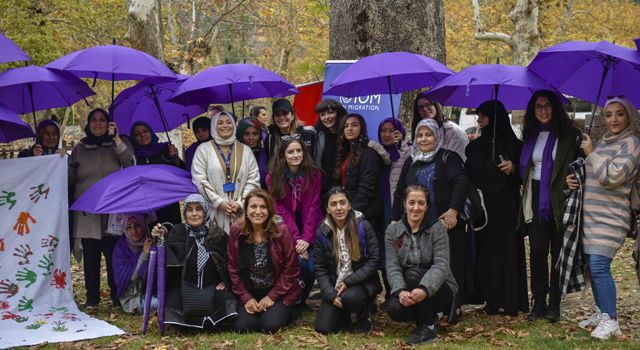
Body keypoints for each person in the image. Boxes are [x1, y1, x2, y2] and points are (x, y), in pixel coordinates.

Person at [567, 97, 640, 339]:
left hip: (611, 217)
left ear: (629, 116)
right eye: (609, 115)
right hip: (590, 215)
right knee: (592, 265)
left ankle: (612, 320)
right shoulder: (602, 143)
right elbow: (594, 175)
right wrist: (574, 180)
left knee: (599, 265)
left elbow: (613, 177)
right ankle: (602, 314)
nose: (614, 119)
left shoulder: (632, 144)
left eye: (620, 114)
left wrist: (590, 153)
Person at [391, 119, 472, 316]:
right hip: (418, 226)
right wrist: (395, 220)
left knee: (451, 266)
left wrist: (453, 211)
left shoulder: (448, 157)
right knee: (424, 265)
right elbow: (400, 191)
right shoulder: (411, 160)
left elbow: (461, 183)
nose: (424, 139)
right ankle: (430, 306)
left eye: (428, 134)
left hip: (446, 224)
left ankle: (453, 308)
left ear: (437, 136)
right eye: (420, 135)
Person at [518, 90, 581, 322]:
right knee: (536, 252)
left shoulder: (570, 135)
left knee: (557, 252)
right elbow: (524, 168)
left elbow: (580, 165)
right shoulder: (529, 136)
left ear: (554, 108)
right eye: (538, 107)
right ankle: (538, 302)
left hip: (559, 199)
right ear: (533, 111)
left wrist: (574, 177)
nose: (543, 110)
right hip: (534, 199)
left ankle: (555, 303)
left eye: (547, 105)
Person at [465, 100, 528, 316]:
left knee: (507, 253)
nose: (479, 119)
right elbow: (468, 174)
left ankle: (510, 301)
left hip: (506, 207)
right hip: (483, 209)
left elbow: (526, 176)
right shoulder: (474, 147)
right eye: (478, 115)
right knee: (486, 254)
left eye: (483, 116)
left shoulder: (514, 146)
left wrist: (514, 169)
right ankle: (490, 299)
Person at [69, 108, 135, 308]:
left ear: (109, 123)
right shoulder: (79, 148)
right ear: (88, 124)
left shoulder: (118, 144)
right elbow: (70, 178)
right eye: (94, 120)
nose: (98, 124)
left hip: (112, 211)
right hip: (87, 212)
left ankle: (117, 296)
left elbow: (130, 163)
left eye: (102, 120)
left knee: (113, 255)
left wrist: (116, 140)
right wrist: (59, 162)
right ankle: (92, 298)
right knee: (90, 258)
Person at [151, 194, 237, 329]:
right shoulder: (178, 232)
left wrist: (225, 280)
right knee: (171, 305)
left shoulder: (217, 234)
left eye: (199, 209)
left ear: (205, 212)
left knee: (228, 301)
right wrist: (160, 236)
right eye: (190, 210)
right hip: (182, 288)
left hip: (211, 287)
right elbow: (166, 254)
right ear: (185, 213)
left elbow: (229, 261)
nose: (194, 214)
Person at [386, 185, 458, 345]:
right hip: (409, 287)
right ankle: (427, 315)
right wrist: (400, 290)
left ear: (427, 206)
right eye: (411, 202)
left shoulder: (438, 228)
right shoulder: (392, 230)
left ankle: (428, 327)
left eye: (421, 203)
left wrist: (425, 289)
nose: (416, 208)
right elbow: (392, 266)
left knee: (413, 274)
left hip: (440, 288)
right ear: (404, 203)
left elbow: (442, 265)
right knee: (394, 309)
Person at [227, 189, 301, 333]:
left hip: (278, 291)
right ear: (246, 210)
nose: (258, 211)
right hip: (250, 290)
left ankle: (289, 310)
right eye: (253, 207)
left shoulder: (281, 230)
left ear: (269, 210)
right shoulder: (236, 229)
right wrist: (246, 298)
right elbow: (232, 267)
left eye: (263, 207)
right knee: (243, 327)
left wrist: (272, 296)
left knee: (270, 326)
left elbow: (291, 268)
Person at [313, 187, 381, 334]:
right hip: (335, 284)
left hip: (360, 283)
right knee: (324, 328)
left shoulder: (363, 226)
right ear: (327, 209)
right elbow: (320, 267)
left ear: (349, 205)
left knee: (350, 298)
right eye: (333, 204)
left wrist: (349, 281)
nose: (339, 208)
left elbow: (374, 260)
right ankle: (344, 314)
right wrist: (330, 294)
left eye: (342, 203)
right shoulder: (322, 232)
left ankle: (363, 313)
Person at [266, 136, 323, 305]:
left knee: (312, 268)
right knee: (299, 263)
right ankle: (295, 299)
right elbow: (280, 210)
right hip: (287, 227)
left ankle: (304, 296)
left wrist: (306, 239)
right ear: (283, 156)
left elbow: (314, 206)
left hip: (309, 225)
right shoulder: (272, 178)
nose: (295, 155)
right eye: (290, 152)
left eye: (299, 151)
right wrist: (297, 239)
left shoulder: (314, 175)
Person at [191, 111, 260, 234]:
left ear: (234, 125)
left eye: (229, 122)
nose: (225, 125)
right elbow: (199, 180)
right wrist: (219, 203)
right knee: (218, 250)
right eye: (220, 123)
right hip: (214, 213)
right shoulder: (203, 150)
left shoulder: (246, 150)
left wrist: (240, 203)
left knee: (240, 249)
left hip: (241, 213)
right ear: (213, 126)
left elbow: (253, 179)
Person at [334, 113, 385, 235]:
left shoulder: (369, 154)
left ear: (361, 128)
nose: (349, 129)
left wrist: (352, 214)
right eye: (346, 126)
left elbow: (366, 188)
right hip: (347, 210)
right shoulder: (345, 152)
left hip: (364, 215)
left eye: (354, 125)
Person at [130, 121, 184, 224]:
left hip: (169, 202)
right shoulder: (134, 157)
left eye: (145, 131)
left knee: (174, 233)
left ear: (151, 132)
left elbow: (180, 173)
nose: (142, 135)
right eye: (138, 134)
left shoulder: (165, 149)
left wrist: (176, 158)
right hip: (148, 206)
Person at [112, 214, 154, 314]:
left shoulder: (151, 241)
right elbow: (130, 278)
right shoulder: (121, 248)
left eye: (138, 225)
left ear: (144, 225)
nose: (134, 231)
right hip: (132, 298)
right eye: (128, 227)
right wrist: (144, 254)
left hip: (154, 291)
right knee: (162, 303)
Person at [411, 93, 468, 161]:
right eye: (420, 107)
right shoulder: (420, 133)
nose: (425, 109)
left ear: (435, 106)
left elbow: (460, 161)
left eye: (428, 105)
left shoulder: (453, 131)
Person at [378, 117, 412, 225]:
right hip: (378, 199)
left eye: (391, 131)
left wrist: (401, 144)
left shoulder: (407, 150)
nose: (387, 135)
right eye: (383, 131)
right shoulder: (376, 151)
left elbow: (405, 159)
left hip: (394, 200)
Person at [314, 99, 348, 194]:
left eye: (330, 113)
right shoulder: (318, 135)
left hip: (345, 189)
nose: (326, 117)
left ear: (338, 113)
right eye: (322, 114)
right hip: (324, 189)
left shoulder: (347, 134)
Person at [237, 117, 269, 189]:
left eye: (255, 134)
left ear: (260, 135)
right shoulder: (235, 154)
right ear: (240, 135)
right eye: (246, 134)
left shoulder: (266, 154)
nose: (251, 138)